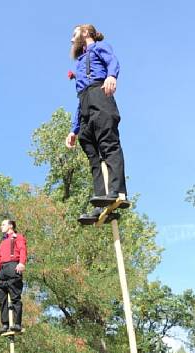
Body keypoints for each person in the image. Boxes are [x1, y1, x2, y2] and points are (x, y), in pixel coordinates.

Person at [64, 24, 130, 225]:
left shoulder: (99, 48)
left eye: (74, 34)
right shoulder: (81, 60)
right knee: (93, 155)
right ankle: (101, 203)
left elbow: (113, 61)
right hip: (85, 103)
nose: (71, 39)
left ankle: (117, 191)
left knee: (108, 144)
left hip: (100, 95)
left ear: (85, 33)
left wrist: (111, 76)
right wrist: (74, 129)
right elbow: (80, 98)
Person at [0, 219, 27, 335]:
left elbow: (22, 250)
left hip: (13, 266)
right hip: (2, 270)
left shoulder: (17, 237)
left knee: (15, 297)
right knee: (1, 295)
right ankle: (5, 325)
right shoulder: (2, 242)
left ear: (10, 226)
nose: (1, 227)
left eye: (3, 224)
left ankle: (17, 324)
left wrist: (21, 263)